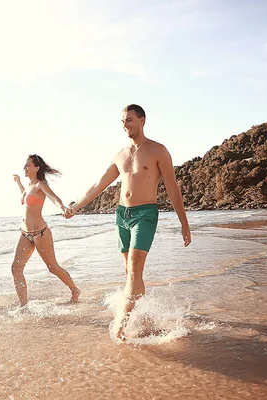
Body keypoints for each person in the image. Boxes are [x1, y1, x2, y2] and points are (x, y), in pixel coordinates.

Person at [65, 104, 191, 341]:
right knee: (130, 272)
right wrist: (76, 207)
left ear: (142, 120)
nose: (125, 124)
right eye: (123, 121)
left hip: (145, 214)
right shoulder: (120, 155)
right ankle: (143, 316)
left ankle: (121, 324)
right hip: (122, 216)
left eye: (130, 120)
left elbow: (173, 187)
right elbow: (98, 185)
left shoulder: (158, 151)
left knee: (134, 266)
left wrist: (183, 222)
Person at [11, 154, 80, 307]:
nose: (25, 167)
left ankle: (74, 289)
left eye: (28, 165)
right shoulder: (29, 187)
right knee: (16, 268)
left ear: (37, 168)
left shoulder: (40, 185)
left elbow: (54, 198)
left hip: (40, 233)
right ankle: (24, 305)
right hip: (25, 233)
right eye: (25, 164)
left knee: (52, 267)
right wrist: (19, 183)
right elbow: (26, 197)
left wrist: (62, 208)